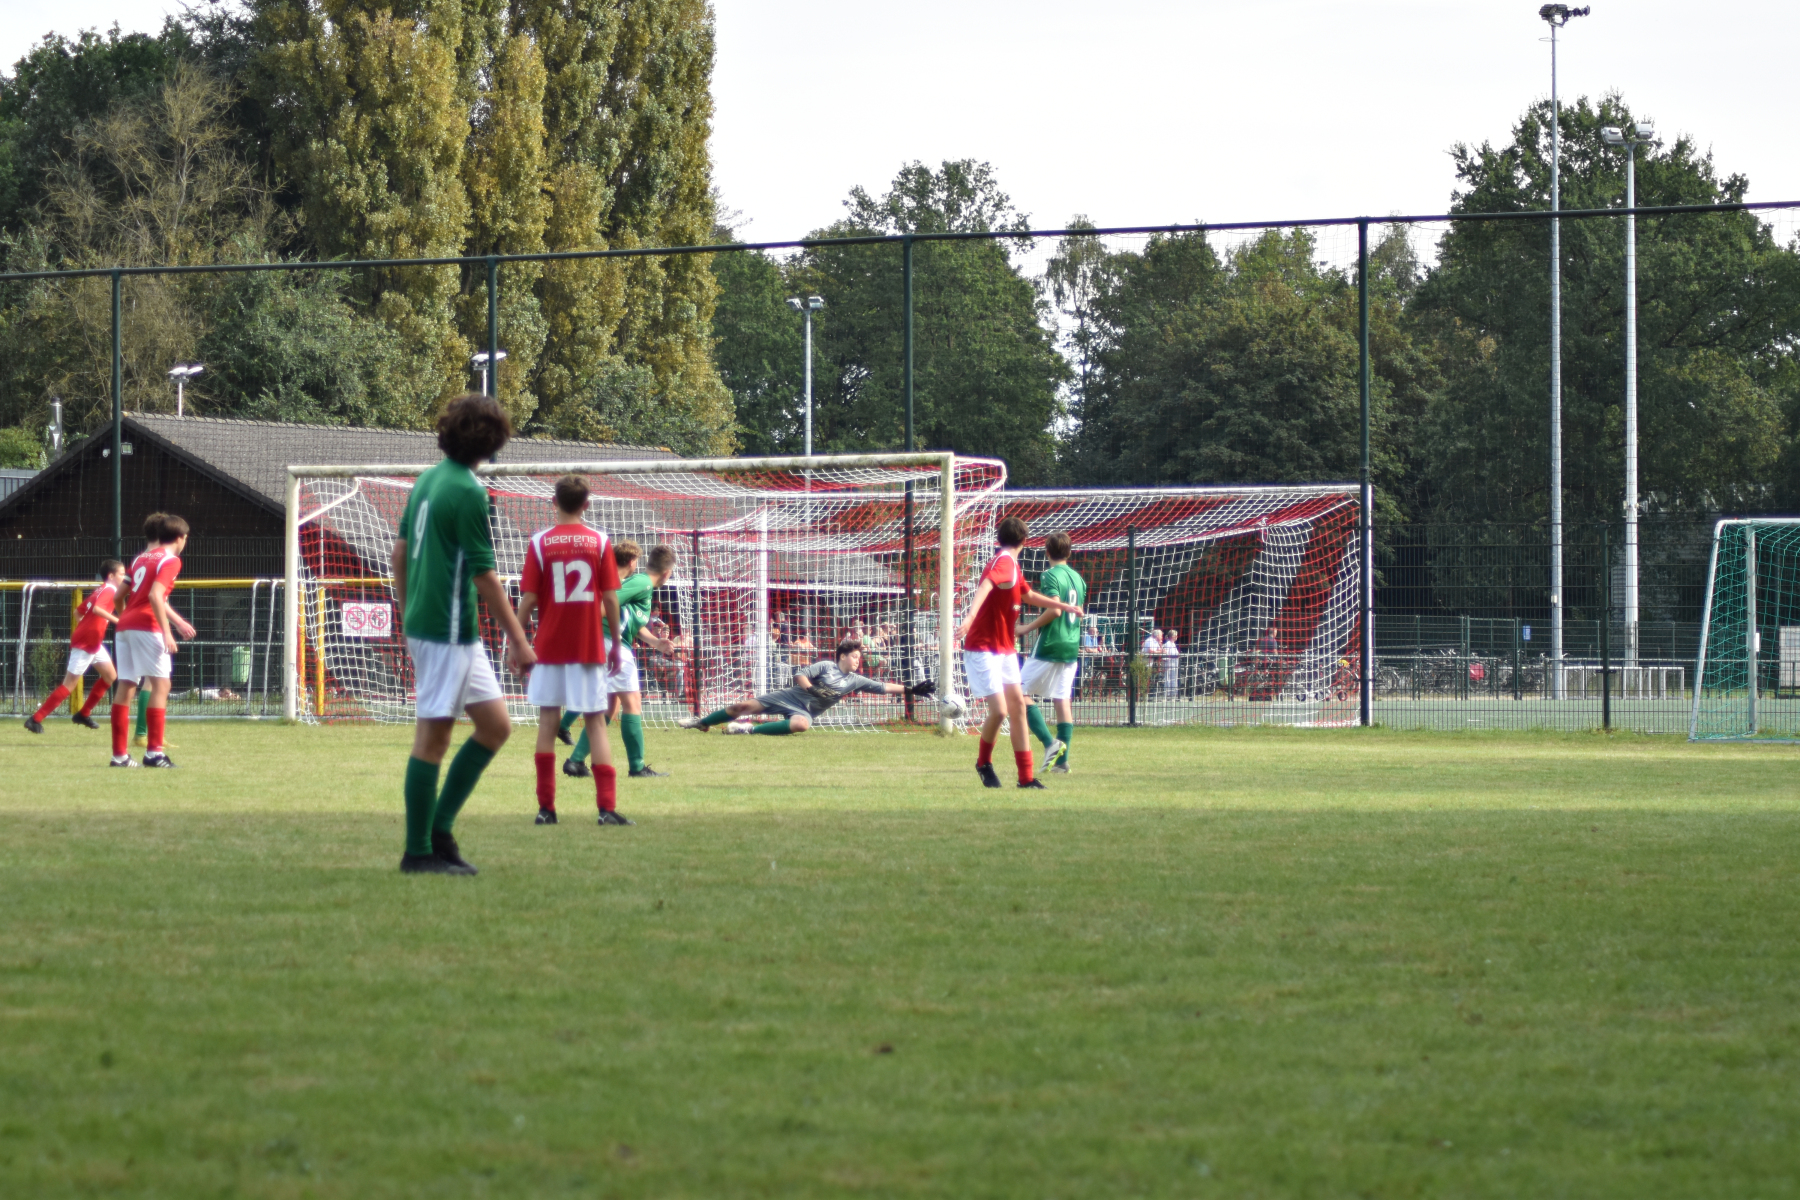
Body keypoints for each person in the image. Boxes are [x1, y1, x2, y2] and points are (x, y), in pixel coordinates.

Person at [390, 394, 537, 876]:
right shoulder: (471, 492)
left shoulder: (428, 479)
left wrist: (407, 610)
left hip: (445, 629)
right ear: (494, 442)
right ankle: (418, 853)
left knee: (495, 727)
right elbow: (484, 576)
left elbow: (399, 553)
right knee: (433, 739)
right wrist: (519, 639)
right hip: (446, 630)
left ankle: (439, 832)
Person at [517, 475, 625, 827]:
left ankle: (546, 809)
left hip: (548, 647)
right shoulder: (600, 541)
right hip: (587, 646)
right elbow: (611, 598)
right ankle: (606, 809)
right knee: (595, 723)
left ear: (554, 502)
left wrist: (516, 640)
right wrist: (616, 644)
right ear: (586, 505)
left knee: (548, 723)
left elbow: (529, 599)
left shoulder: (539, 542)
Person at [959, 515, 1084, 790]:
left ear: (999, 538)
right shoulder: (1005, 562)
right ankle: (983, 763)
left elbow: (1028, 596)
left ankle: (1026, 778)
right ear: (1025, 541)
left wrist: (1064, 606)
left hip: (1004, 648)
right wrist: (969, 617)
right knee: (1000, 711)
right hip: (984, 647)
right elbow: (986, 584)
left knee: (1017, 708)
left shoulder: (1011, 564)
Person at [559, 541, 678, 781]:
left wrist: (656, 642)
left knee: (609, 706)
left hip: (604, 643)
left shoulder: (641, 585)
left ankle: (576, 761)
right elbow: (606, 602)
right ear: (667, 573)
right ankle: (637, 767)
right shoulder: (643, 583)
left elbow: (633, 622)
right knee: (632, 702)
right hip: (610, 645)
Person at [676, 640, 933, 735]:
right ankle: (702, 722)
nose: (858, 661)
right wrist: (812, 689)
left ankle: (748, 730)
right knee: (740, 706)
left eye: (859, 657)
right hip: (789, 696)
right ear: (843, 656)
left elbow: (883, 687)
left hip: (804, 711)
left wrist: (912, 690)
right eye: (855, 656)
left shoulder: (855, 680)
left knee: (801, 725)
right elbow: (799, 674)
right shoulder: (826, 666)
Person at [111, 514, 198, 767]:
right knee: (161, 685)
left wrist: (126, 617)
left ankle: (119, 756)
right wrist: (167, 632)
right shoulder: (171, 560)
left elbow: (118, 597)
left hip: (125, 626)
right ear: (181, 538)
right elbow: (155, 596)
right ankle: (154, 753)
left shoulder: (141, 558)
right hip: (147, 626)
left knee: (126, 685)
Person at [25, 559, 127, 734]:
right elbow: (97, 609)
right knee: (69, 685)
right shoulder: (110, 590)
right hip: (86, 642)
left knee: (110, 676)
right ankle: (35, 719)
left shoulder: (101, 589)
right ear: (111, 576)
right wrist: (119, 621)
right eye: (122, 574)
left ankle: (83, 714)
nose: (124, 577)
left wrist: (87, 627)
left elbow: (77, 612)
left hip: (93, 641)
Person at [1018, 532, 1087, 774]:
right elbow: (1078, 612)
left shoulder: (1050, 575)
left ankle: (1050, 744)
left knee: (1017, 693)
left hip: (1051, 643)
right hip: (1072, 644)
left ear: (1047, 551)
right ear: (1069, 552)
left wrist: (1026, 627)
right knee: (1062, 699)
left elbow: (1055, 609)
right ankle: (1061, 763)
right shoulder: (1078, 579)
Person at [1161, 628, 1182, 697]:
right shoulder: (1168, 644)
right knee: (1168, 678)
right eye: (1175, 635)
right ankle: (1168, 693)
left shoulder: (1173, 644)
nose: (1177, 637)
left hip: (1174, 664)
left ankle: (1173, 693)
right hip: (1169, 664)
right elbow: (1165, 654)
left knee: (1174, 678)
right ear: (1172, 636)